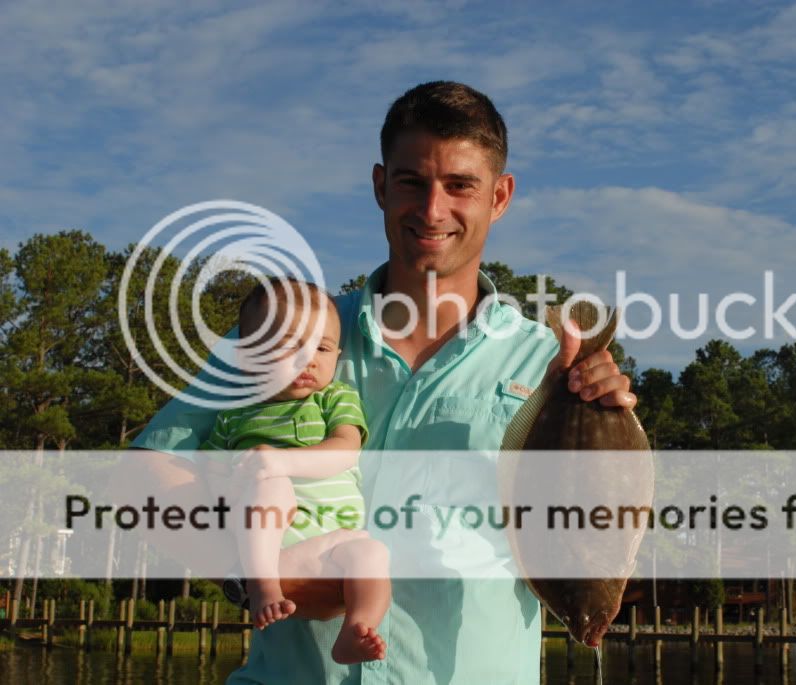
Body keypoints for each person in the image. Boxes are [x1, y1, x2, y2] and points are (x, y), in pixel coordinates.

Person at [120, 80, 636, 684]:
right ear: (379, 186)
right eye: (412, 182)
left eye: (460, 186)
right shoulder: (285, 329)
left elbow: (589, 525)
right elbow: (144, 475)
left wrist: (609, 419)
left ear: (500, 196)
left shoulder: (548, 363)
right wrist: (257, 576)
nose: (433, 209)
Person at [200, 277, 389, 664]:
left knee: (371, 553)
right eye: (288, 349)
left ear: (338, 354)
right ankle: (265, 586)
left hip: (334, 540)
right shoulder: (234, 414)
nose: (308, 360)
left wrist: (281, 460)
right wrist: (244, 481)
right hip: (267, 543)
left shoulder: (334, 397)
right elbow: (208, 475)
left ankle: (357, 627)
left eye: (322, 348)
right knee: (271, 487)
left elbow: (346, 449)